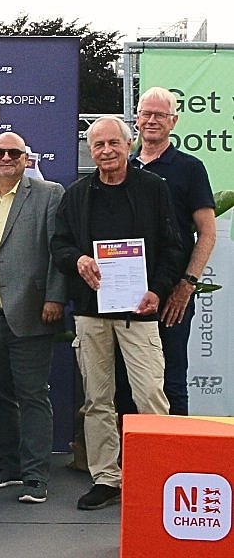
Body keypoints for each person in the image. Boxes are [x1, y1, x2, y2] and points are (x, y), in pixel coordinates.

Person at [50, 115, 182, 510]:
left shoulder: (153, 188)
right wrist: (78, 260)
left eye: (114, 143)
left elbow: (174, 246)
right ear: (90, 150)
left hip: (140, 311)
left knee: (150, 395)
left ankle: (160, 477)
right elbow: (59, 244)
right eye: (99, 145)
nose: (106, 150)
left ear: (129, 145)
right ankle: (107, 478)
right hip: (91, 313)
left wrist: (159, 290)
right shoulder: (76, 194)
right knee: (97, 400)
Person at [0, 132, 67, 503]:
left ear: (26, 158)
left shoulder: (48, 193)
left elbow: (59, 250)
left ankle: (36, 476)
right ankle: (8, 465)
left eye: (14, 153)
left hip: (31, 311)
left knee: (33, 396)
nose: (6, 158)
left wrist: (55, 296)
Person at [124, 87, 216, 416]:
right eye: (146, 114)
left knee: (171, 380)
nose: (152, 120)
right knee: (126, 384)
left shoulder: (190, 168)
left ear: (173, 121)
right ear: (136, 119)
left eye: (160, 115)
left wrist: (186, 285)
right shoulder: (123, 165)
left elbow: (207, 232)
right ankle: (130, 450)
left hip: (172, 295)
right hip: (127, 294)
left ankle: (176, 449)